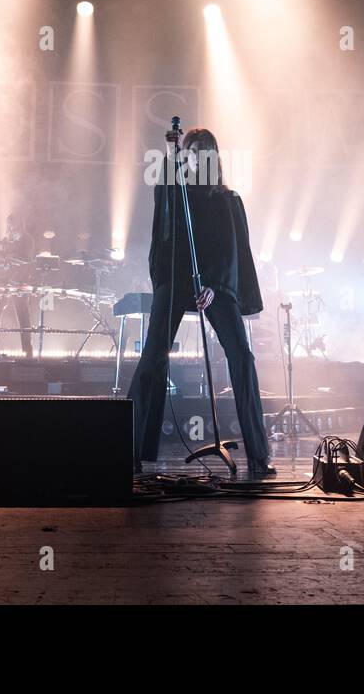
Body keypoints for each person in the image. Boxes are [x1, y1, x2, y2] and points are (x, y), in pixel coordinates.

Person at [129, 127, 273, 476]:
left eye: (203, 150)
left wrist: (214, 285)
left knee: (241, 354)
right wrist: (169, 155)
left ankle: (258, 454)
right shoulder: (174, 191)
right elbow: (161, 212)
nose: (196, 155)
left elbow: (230, 251)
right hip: (176, 280)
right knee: (153, 358)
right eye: (191, 149)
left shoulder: (225, 199)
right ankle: (129, 448)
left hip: (214, 286)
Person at [0, 213, 35, 357]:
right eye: (8, 223)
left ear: (20, 223)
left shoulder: (27, 239)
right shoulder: (7, 239)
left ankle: (27, 350)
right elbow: (0, 258)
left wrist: (17, 279)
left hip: (20, 282)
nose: (10, 226)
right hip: (4, 282)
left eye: (12, 223)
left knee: (22, 314)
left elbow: (26, 261)